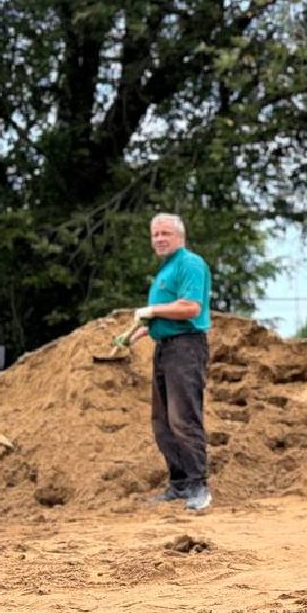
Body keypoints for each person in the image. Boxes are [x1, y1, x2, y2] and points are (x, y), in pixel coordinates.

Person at [119, 213, 213, 513]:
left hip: (186, 349)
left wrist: (151, 309)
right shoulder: (166, 269)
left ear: (180, 236)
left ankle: (199, 486)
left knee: (183, 419)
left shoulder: (190, 264)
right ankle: (179, 484)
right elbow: (165, 315)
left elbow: (190, 307)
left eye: (165, 233)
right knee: (162, 423)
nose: (159, 238)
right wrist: (145, 329)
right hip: (165, 348)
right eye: (155, 234)